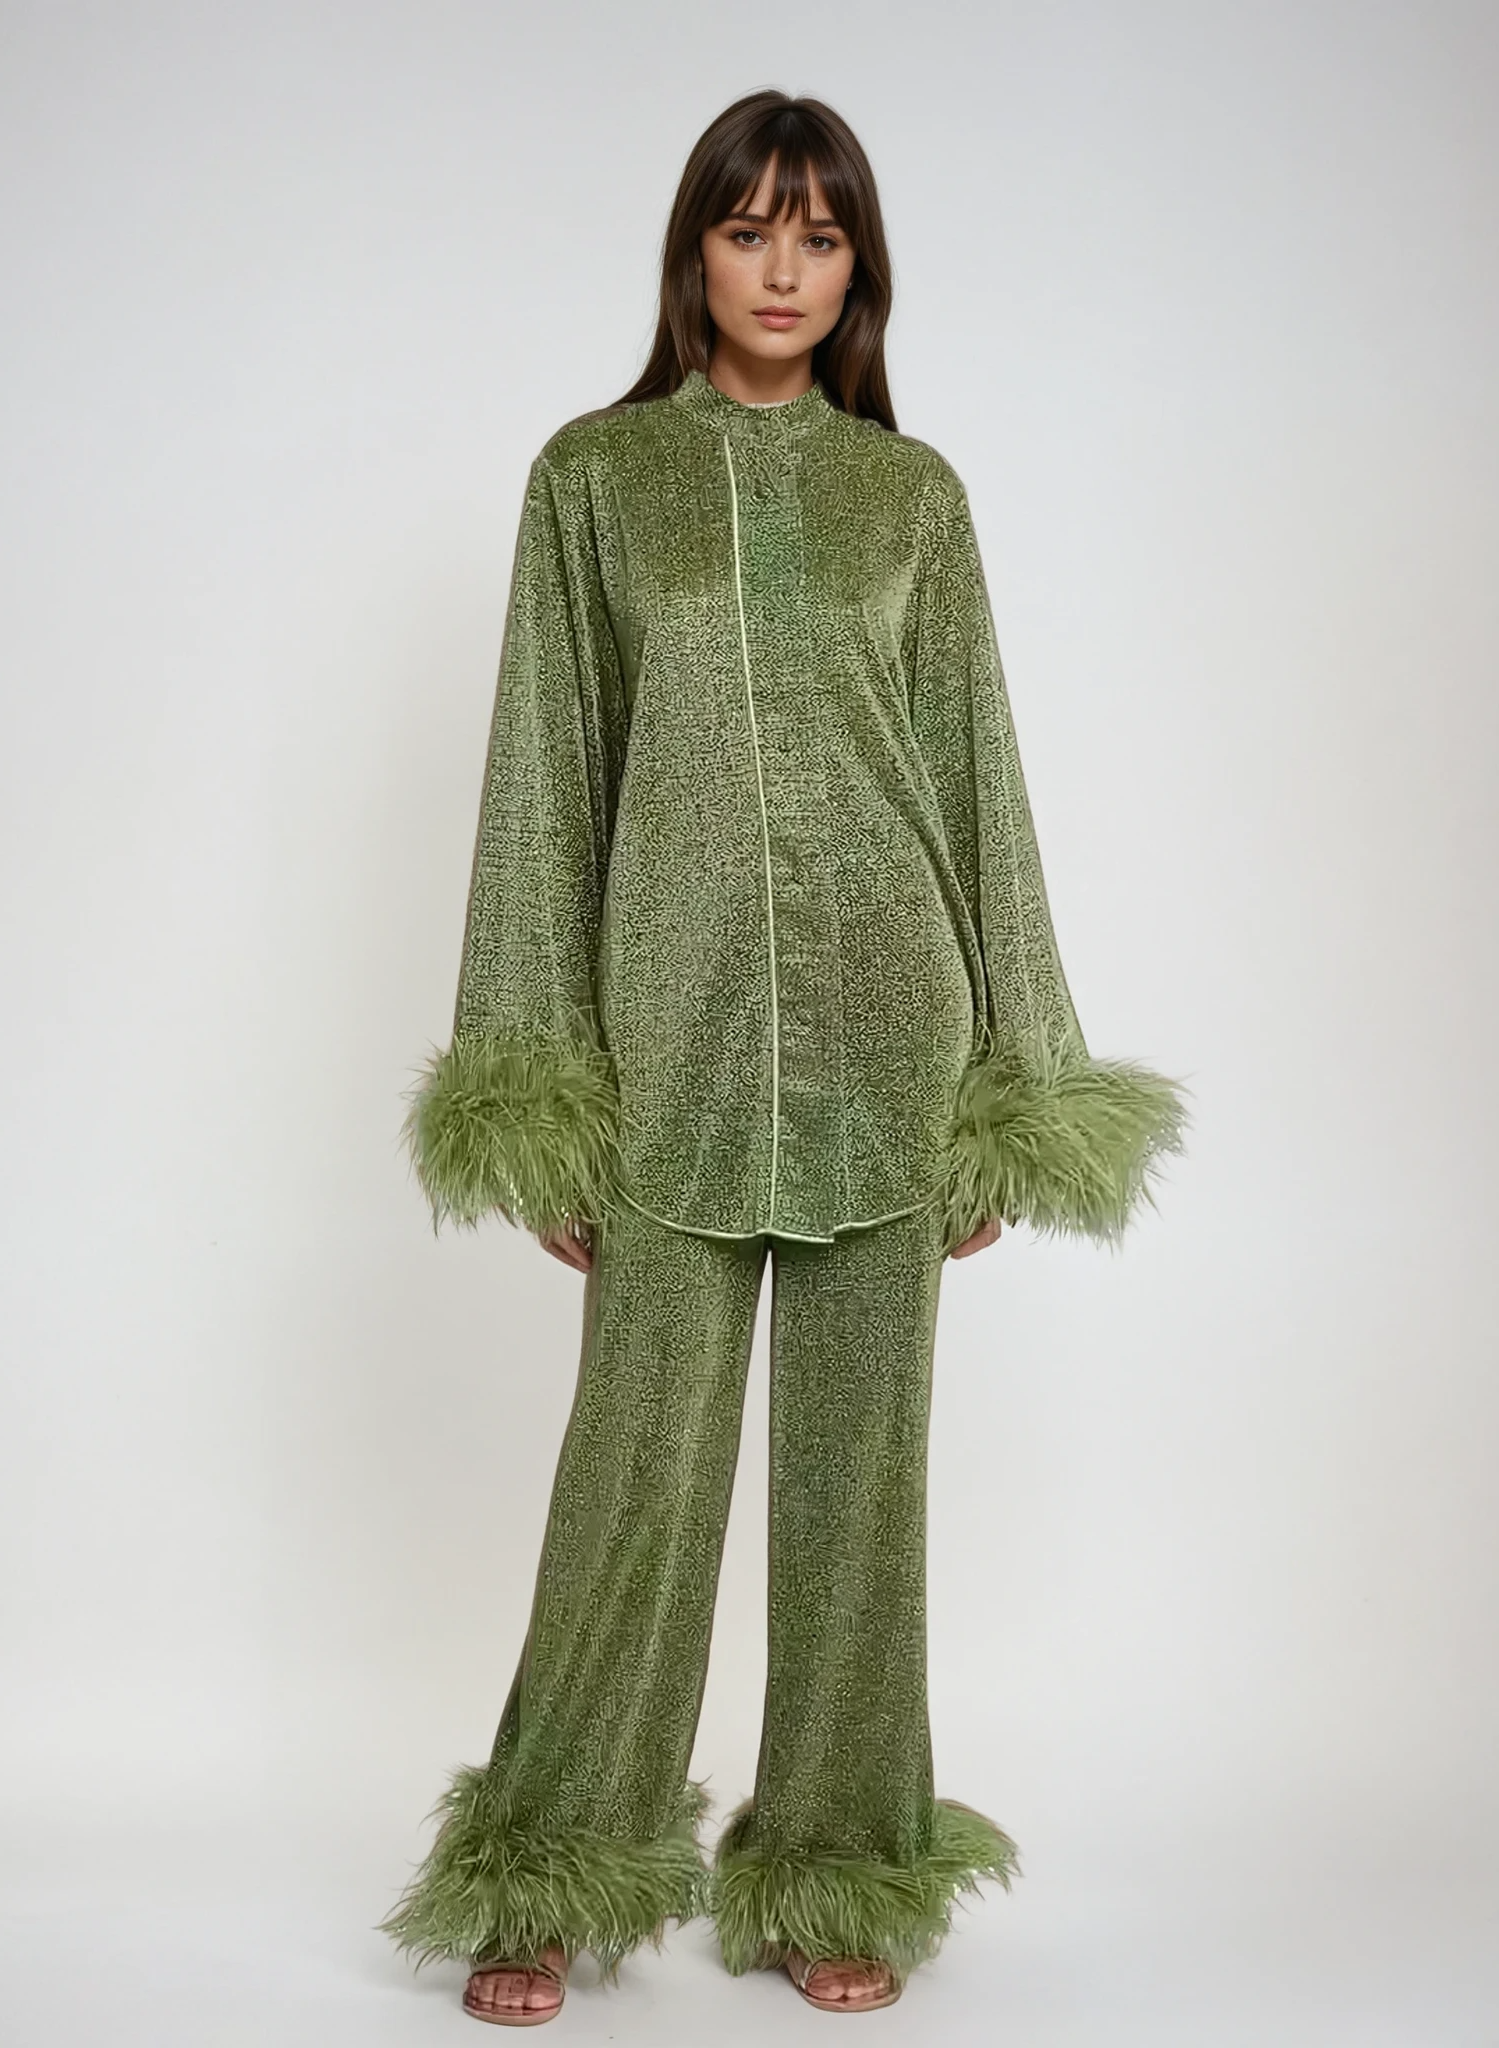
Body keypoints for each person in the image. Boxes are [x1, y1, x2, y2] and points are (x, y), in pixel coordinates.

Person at [377, 88, 1187, 2025]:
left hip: (888, 1048)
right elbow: (542, 791)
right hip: (669, 1057)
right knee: (632, 1484)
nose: (782, 269)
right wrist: (539, 1085)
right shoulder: (593, 482)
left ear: (857, 271)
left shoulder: (913, 501)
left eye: (819, 238)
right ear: (694, 251)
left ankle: (838, 1866)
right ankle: (550, 1867)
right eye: (749, 230)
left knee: (857, 1498)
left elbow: (978, 787)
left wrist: (1009, 1090)